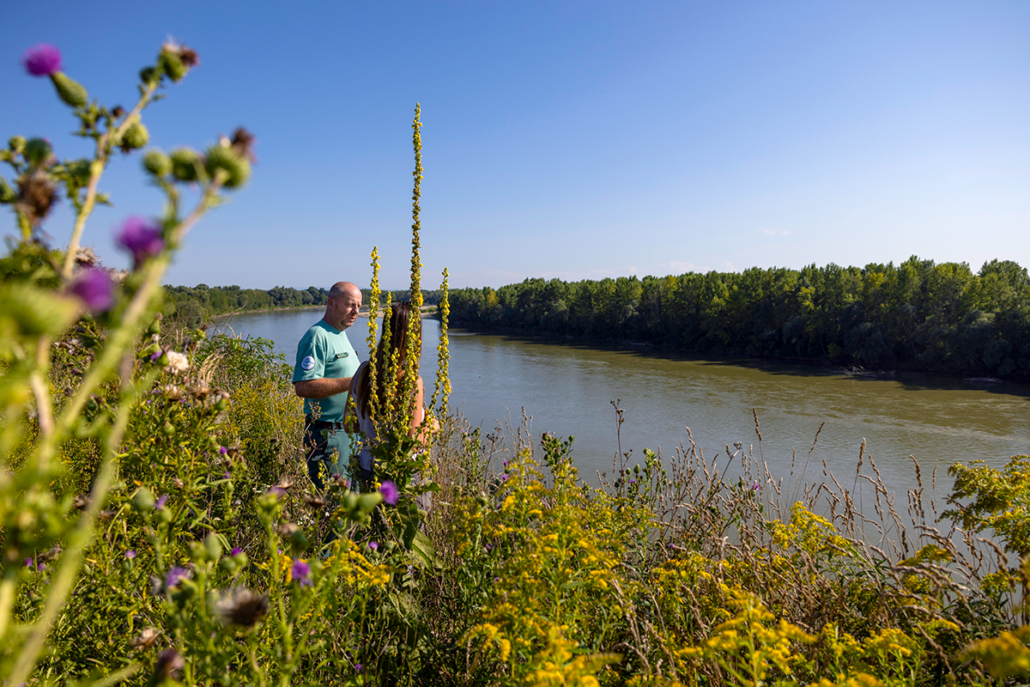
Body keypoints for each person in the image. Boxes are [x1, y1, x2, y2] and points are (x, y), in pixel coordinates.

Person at [348, 301, 437, 484]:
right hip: (401, 476)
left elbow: (350, 425)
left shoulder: (362, 371)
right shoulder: (413, 382)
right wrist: (430, 426)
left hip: (366, 469)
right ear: (415, 335)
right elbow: (412, 443)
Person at [293, 281, 362, 489]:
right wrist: (354, 382)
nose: (356, 311)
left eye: (359, 306)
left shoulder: (340, 334)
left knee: (352, 504)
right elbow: (303, 387)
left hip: (348, 434)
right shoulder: (317, 336)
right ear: (331, 303)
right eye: (350, 305)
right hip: (328, 436)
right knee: (336, 507)